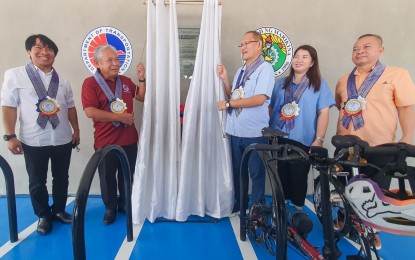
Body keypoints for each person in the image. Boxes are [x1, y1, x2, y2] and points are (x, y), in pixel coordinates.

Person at [335, 33, 415, 250]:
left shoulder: (397, 75)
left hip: (380, 147)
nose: (359, 50)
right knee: (345, 187)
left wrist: (406, 139)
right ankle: (344, 219)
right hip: (348, 148)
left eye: (366, 46)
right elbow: (340, 107)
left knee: (376, 192)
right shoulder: (344, 80)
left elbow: (406, 107)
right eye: (355, 48)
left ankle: (371, 232)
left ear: (381, 50)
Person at [1, 34, 80, 235]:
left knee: (62, 177)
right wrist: (10, 136)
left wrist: (76, 130)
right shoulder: (15, 75)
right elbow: (8, 106)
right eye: (39, 47)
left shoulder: (62, 79)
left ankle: (60, 210)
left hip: (62, 137)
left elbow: (70, 107)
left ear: (55, 54)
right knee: (37, 180)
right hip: (33, 139)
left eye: (50, 49)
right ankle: (43, 215)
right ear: (29, 52)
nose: (45, 52)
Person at [81, 44, 146, 225]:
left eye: (117, 59)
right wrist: (119, 117)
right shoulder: (90, 83)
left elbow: (141, 97)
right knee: (107, 177)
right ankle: (110, 207)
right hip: (105, 141)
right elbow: (90, 111)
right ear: (98, 63)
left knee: (128, 174)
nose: (115, 63)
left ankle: (125, 203)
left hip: (129, 139)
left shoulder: (125, 81)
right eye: (110, 60)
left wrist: (142, 80)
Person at [269, 45, 335, 210]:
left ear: (312, 62)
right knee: (280, 173)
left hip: (303, 138)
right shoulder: (280, 84)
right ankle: (282, 210)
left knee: (299, 174)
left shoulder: (319, 85)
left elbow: (323, 113)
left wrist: (319, 139)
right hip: (279, 136)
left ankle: (298, 208)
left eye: (304, 57)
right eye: (296, 56)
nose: (299, 60)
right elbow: (270, 107)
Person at [217, 31, 275, 214]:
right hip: (235, 131)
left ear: (259, 45)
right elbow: (234, 95)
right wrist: (226, 79)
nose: (243, 47)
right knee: (237, 171)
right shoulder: (242, 71)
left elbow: (259, 99)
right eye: (241, 45)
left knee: (256, 173)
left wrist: (228, 104)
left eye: (246, 43)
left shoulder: (265, 69)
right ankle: (239, 203)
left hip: (254, 132)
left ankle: (256, 207)